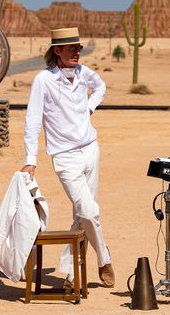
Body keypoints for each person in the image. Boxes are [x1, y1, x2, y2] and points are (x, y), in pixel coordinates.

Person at [20, 27, 115, 288]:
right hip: (64, 156)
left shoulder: (84, 74)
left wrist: (90, 106)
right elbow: (32, 121)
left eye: (78, 47)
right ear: (57, 51)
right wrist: (31, 159)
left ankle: (73, 277)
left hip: (90, 150)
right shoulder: (44, 80)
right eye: (71, 48)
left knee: (81, 215)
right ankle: (104, 257)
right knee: (89, 210)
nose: (77, 52)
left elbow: (101, 86)